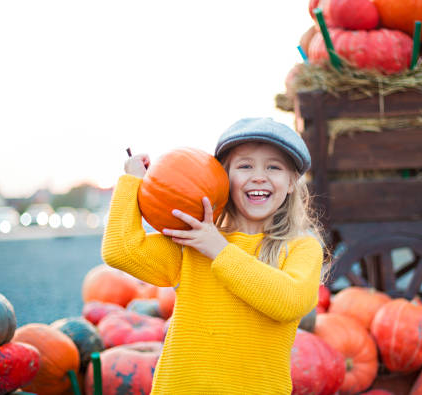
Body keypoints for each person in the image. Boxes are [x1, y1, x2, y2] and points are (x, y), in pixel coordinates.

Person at [101, 117, 326, 394]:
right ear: (224, 177)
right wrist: (132, 182)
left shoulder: (301, 248)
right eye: (245, 166)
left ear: (291, 182)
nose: (258, 176)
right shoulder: (193, 243)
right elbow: (120, 251)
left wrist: (219, 249)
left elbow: (289, 302)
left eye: (274, 167)